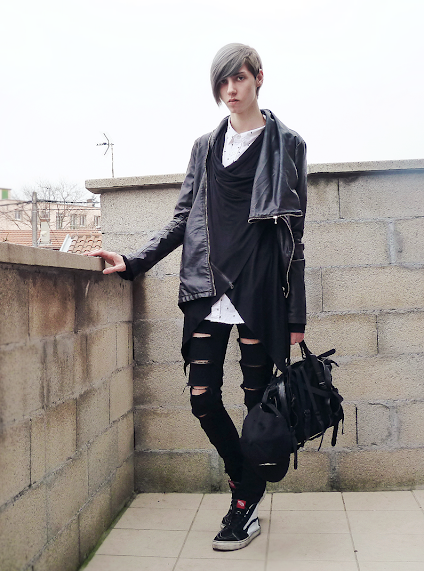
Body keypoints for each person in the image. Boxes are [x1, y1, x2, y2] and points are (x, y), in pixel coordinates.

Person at [87, 43, 307, 551]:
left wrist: (295, 314)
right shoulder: (205, 147)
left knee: (256, 406)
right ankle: (244, 480)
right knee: (202, 399)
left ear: (258, 78)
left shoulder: (288, 145)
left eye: (239, 79)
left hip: (259, 293)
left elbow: (295, 236)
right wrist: (135, 261)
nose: (231, 90)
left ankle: (243, 507)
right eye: (222, 82)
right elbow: (184, 218)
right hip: (208, 289)